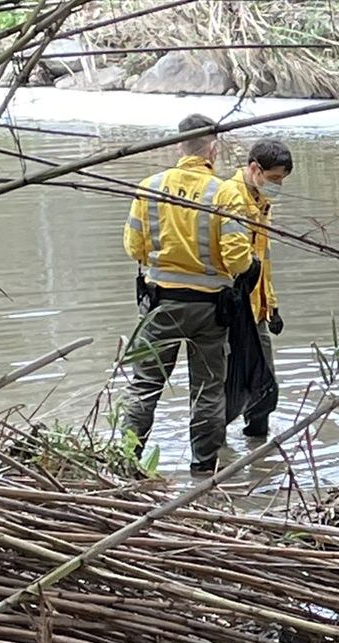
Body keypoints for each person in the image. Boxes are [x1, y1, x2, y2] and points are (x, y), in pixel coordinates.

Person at [122, 113, 255, 474]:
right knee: (208, 389)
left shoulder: (149, 187)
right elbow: (238, 258)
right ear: (212, 146)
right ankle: (203, 467)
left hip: (159, 305)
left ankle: (125, 461)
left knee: (145, 385)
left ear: (180, 145)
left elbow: (133, 247)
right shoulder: (225, 193)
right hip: (211, 310)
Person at [219, 138, 293, 439]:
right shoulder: (231, 198)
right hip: (232, 308)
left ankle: (256, 442)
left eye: (282, 180)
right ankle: (215, 449)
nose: (277, 185)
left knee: (264, 383)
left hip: (257, 307)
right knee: (227, 383)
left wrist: (271, 305)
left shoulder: (262, 202)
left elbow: (264, 260)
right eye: (274, 178)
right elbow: (236, 259)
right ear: (254, 168)